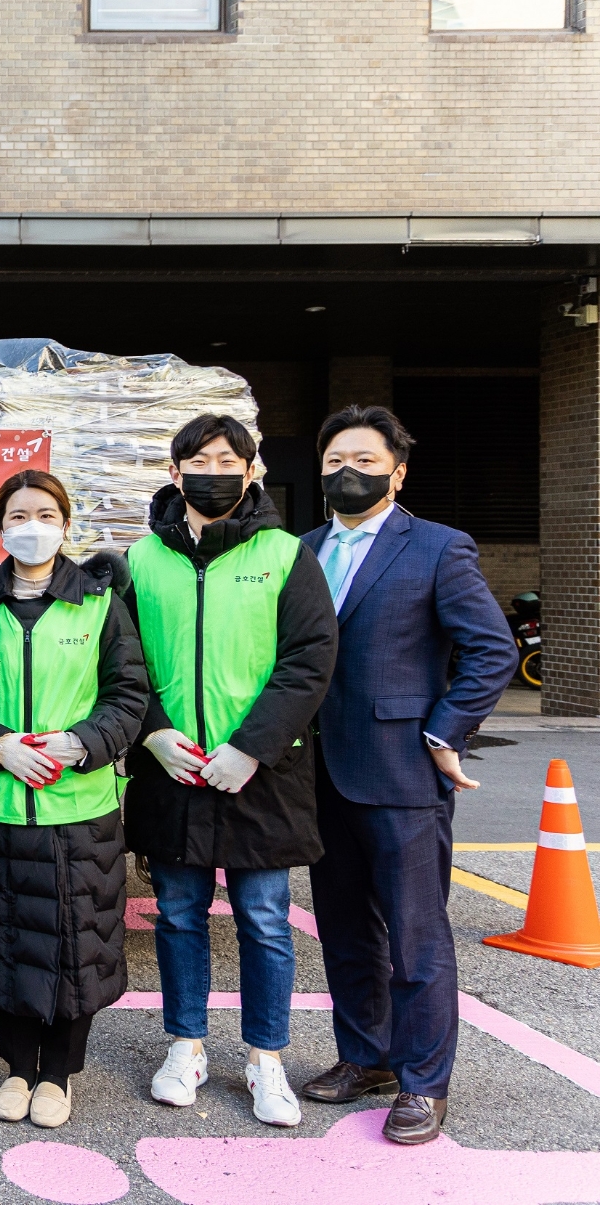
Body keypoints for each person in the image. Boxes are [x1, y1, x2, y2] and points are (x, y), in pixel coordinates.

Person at [300, 406, 515, 1145]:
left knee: (416, 934)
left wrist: (445, 729)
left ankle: (425, 1081)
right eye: (333, 461)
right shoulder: (301, 550)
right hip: (317, 772)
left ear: (397, 470)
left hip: (402, 770)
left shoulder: (437, 547)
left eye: (362, 458)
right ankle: (368, 1057)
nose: (346, 471)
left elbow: (490, 649)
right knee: (345, 927)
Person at [122, 414, 338, 1128]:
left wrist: (252, 746)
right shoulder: (141, 559)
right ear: (174, 471)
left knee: (266, 919)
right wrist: (152, 733)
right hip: (173, 768)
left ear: (251, 473)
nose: (213, 470)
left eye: (228, 459)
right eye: (198, 459)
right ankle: (186, 1046)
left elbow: (309, 658)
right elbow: (120, 663)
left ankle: (265, 1058)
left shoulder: (284, 554)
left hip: (260, 770)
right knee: (179, 914)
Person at [0, 470, 149, 1130]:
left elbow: (130, 695)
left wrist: (80, 742)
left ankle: (58, 1074)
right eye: (17, 514)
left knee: (77, 946)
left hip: (80, 807)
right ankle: (15, 1066)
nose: (30, 523)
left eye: (44, 512)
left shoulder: (98, 603)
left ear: (65, 524)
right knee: (6, 940)